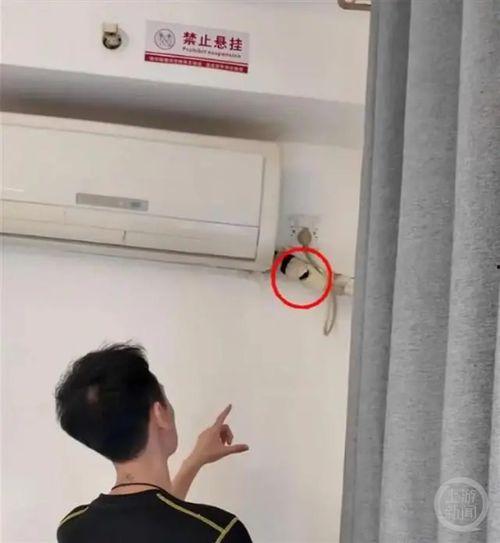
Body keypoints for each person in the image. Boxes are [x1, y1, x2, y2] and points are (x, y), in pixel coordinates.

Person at [55, 343, 252, 542]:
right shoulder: (219, 533)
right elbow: (165, 523)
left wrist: (193, 462)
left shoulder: (72, 529)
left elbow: (153, 521)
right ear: (159, 413)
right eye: (164, 396)